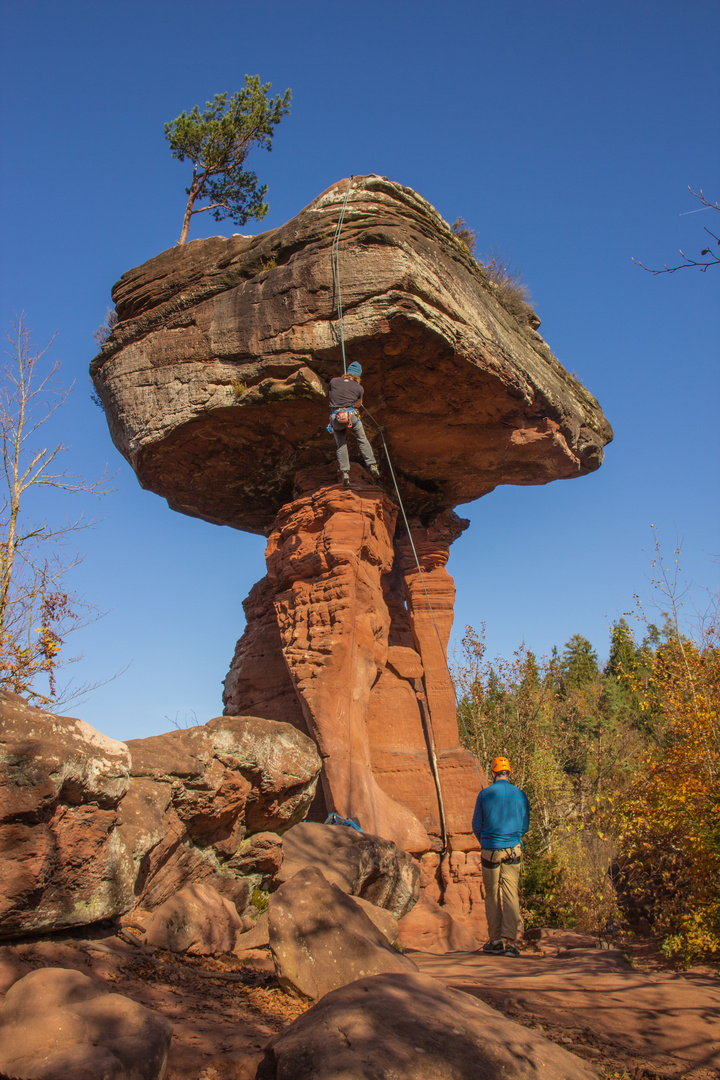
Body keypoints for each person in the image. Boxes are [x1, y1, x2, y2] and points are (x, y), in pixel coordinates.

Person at [472, 755, 530, 957]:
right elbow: (525, 826)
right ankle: (511, 944)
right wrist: (512, 837)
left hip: (490, 850)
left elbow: (476, 825)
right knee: (511, 894)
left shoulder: (484, 794)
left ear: (494, 772)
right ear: (509, 772)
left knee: (492, 895)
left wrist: (486, 841)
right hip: (513, 849)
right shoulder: (521, 795)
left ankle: (496, 941)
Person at [328, 361, 381, 487]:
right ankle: (372, 464)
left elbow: (330, 397)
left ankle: (345, 472)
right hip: (351, 416)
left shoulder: (334, 381)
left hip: (336, 417)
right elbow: (358, 404)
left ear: (347, 372)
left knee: (341, 444)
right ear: (358, 376)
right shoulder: (359, 388)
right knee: (362, 438)